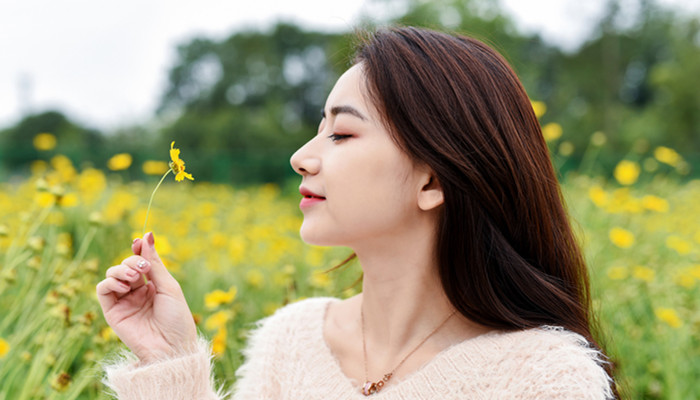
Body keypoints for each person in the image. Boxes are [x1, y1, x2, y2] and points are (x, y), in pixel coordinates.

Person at [97, 26, 618, 399]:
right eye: (318, 128)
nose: (301, 157)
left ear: (433, 180)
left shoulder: (543, 378)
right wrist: (170, 360)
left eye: (342, 133)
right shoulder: (292, 338)